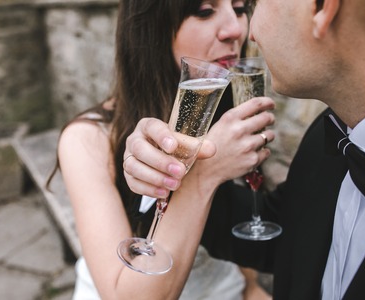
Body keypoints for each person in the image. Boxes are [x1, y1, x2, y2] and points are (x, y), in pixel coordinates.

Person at [122, 0, 365, 299]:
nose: (245, 31)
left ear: (322, 7)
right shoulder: (330, 133)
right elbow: (281, 237)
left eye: (256, 2)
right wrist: (181, 170)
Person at [52, 0, 276, 299]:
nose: (235, 29)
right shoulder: (88, 139)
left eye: (238, 9)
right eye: (205, 11)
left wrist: (250, 285)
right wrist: (204, 174)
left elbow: (239, 213)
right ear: (151, 30)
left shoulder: (226, 112)